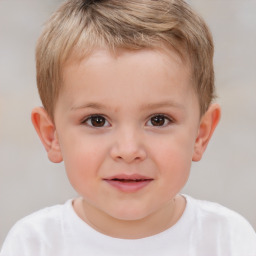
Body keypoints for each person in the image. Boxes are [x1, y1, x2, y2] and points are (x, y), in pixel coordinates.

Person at [1, 0, 256, 255]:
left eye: (158, 120)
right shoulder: (34, 244)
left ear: (201, 134)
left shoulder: (228, 239)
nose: (128, 150)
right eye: (96, 120)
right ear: (51, 135)